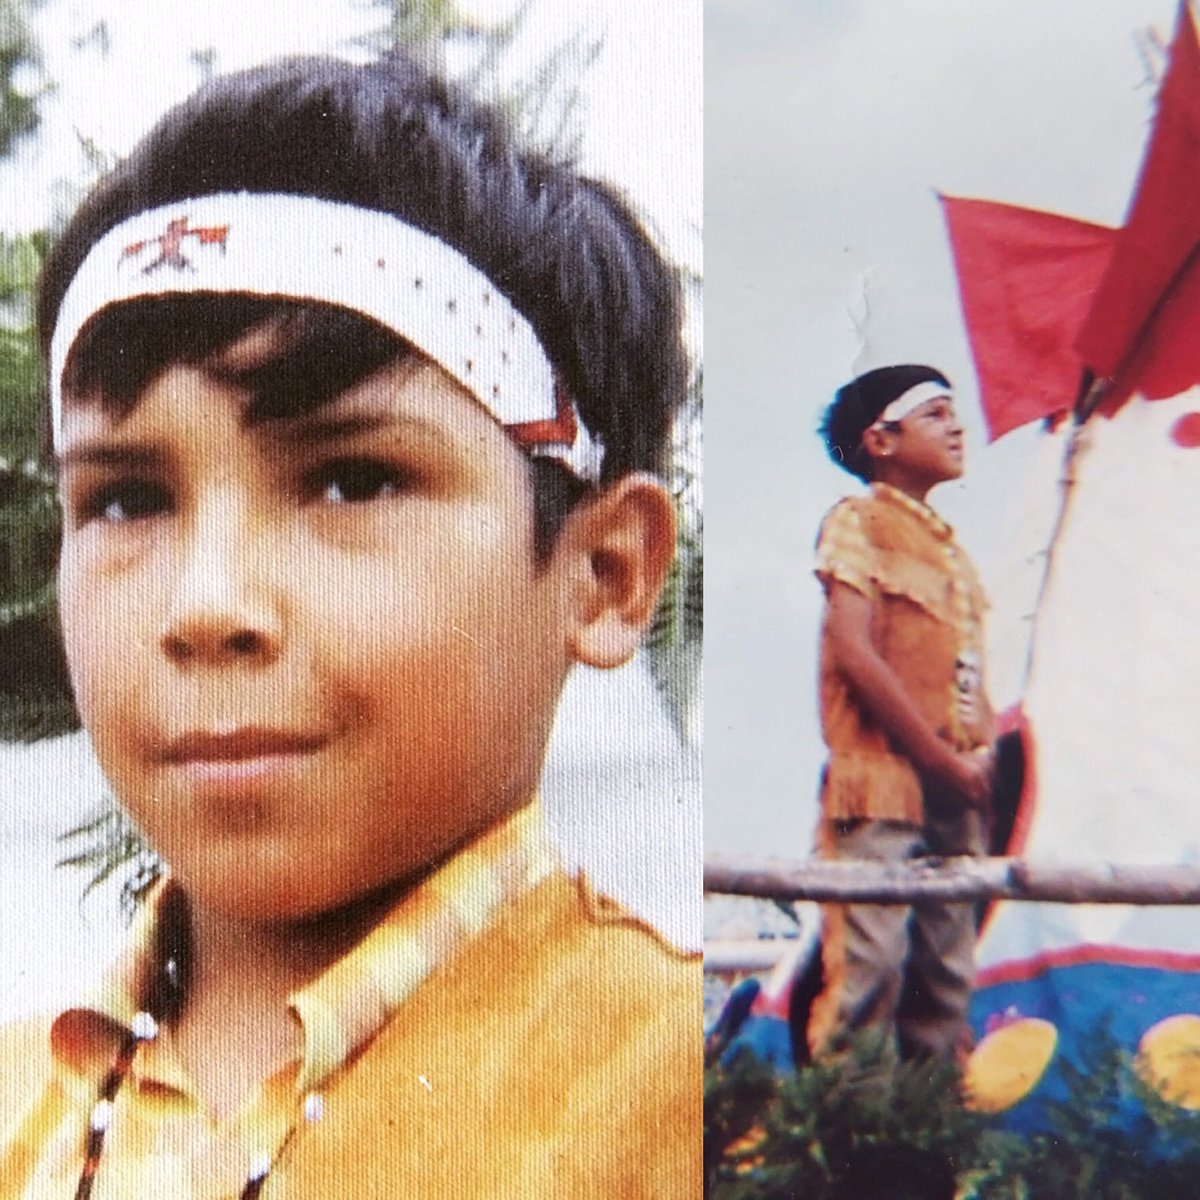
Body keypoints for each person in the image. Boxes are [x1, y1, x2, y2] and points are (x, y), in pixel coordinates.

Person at [0, 54, 699, 1197]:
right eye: (127, 498)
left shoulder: (688, 1103)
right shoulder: (20, 1097)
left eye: (352, 482)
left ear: (605, 572)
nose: (205, 604)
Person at [806, 364, 994, 1066]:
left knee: (946, 979)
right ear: (881, 439)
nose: (957, 426)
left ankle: (924, 1152)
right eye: (936, 413)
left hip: (955, 792)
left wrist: (979, 758)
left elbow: (969, 676)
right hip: (881, 784)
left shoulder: (955, 556)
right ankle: (842, 1151)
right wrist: (939, 758)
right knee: (871, 970)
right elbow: (854, 653)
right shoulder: (858, 522)